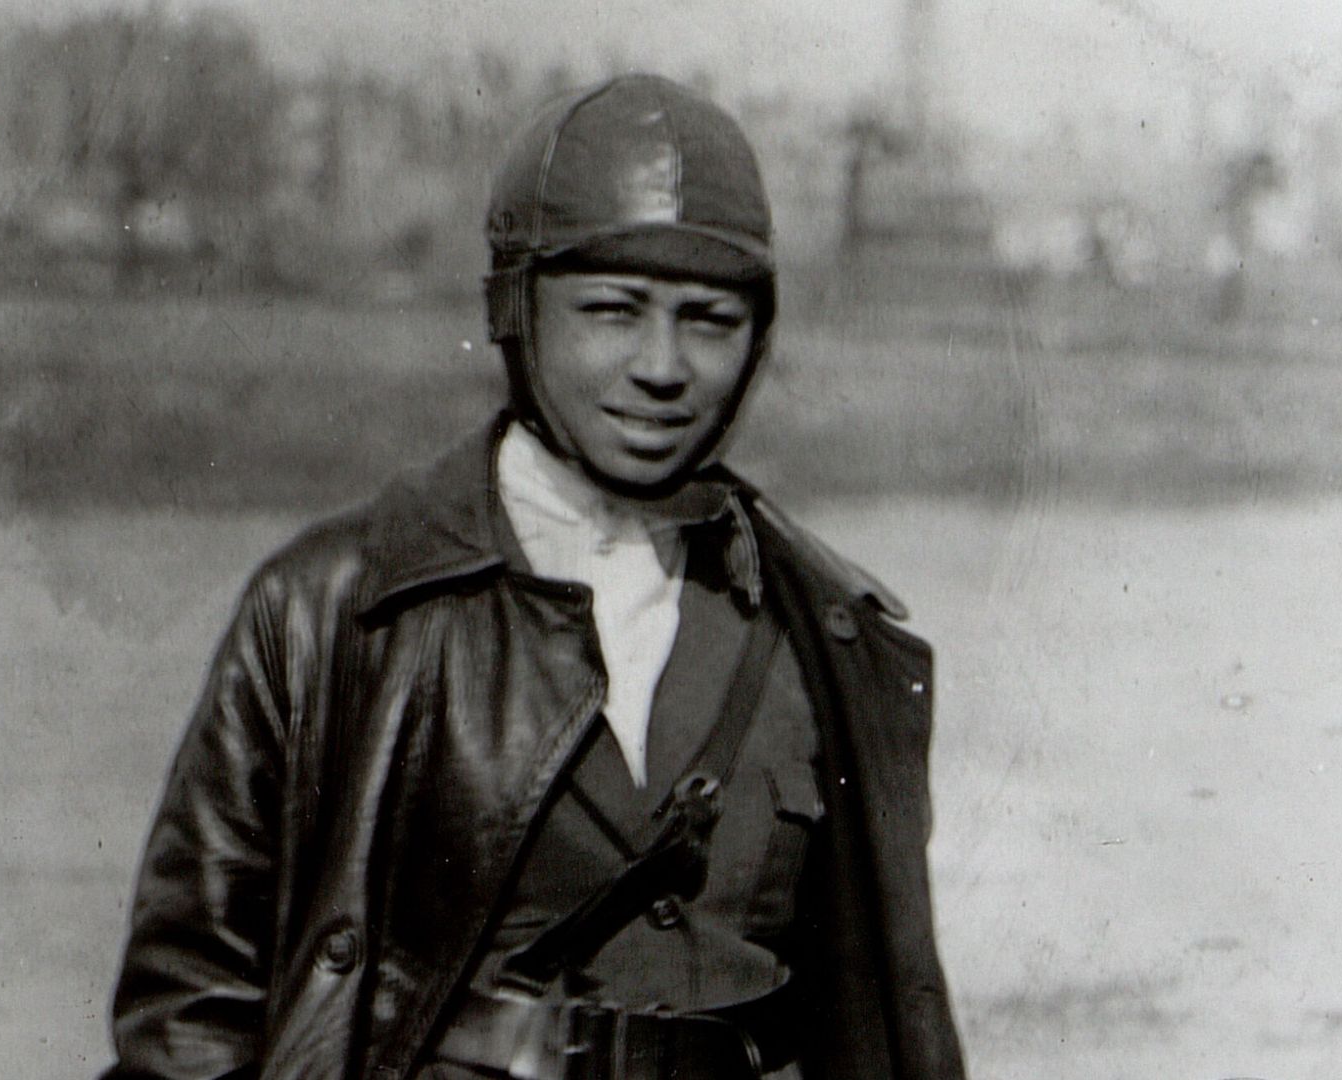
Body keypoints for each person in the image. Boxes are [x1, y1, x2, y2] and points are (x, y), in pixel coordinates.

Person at [100, 73, 966, 1080]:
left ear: (757, 343)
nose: (662, 366)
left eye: (710, 321)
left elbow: (883, 1026)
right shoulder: (335, 610)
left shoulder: (832, 636)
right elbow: (186, 1030)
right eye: (613, 310)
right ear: (516, 312)